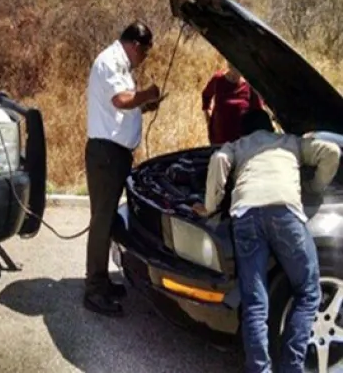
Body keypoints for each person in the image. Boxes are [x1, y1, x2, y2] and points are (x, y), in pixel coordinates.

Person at [193, 108, 340, 373]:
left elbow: (218, 160)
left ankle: (260, 369)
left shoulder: (238, 145)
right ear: (272, 128)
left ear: (244, 131)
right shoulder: (290, 142)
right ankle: (291, 366)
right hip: (285, 214)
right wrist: (315, 188)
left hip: (245, 216)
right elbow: (332, 152)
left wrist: (210, 205)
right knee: (308, 292)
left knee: (255, 302)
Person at [84, 20, 163, 316]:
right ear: (135, 45)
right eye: (144, 53)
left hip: (113, 153)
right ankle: (94, 290)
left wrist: (144, 106)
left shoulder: (120, 65)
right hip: (106, 155)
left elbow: (119, 107)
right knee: (102, 221)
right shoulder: (111, 62)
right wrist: (147, 94)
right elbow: (120, 100)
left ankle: (101, 282)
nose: (144, 60)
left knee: (106, 220)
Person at [201, 62, 264, 145]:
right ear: (229, 64)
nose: (236, 70)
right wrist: (208, 119)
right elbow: (206, 95)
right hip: (218, 140)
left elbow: (259, 113)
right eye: (233, 65)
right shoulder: (218, 79)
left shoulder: (250, 86)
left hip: (241, 143)